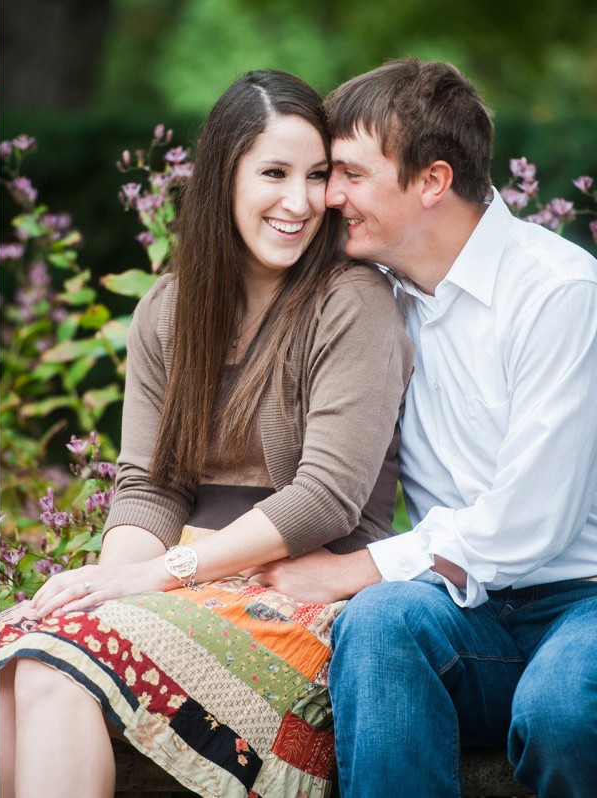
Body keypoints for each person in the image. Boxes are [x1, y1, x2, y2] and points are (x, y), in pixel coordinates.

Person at [0, 70, 414, 798]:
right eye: (274, 173)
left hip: (303, 593)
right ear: (224, 177)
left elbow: (326, 499)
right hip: (190, 588)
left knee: (57, 663)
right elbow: (151, 485)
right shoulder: (168, 309)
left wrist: (154, 577)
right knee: (21, 649)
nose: (300, 201)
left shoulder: (354, 301)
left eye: (317, 176)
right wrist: (107, 581)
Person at [244, 59, 597, 797]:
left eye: (349, 174)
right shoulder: (376, 299)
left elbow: (530, 522)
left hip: (583, 598)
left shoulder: (559, 295)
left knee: (562, 711)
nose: (328, 197)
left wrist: (353, 569)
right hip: (464, 613)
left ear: (432, 181)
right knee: (380, 626)